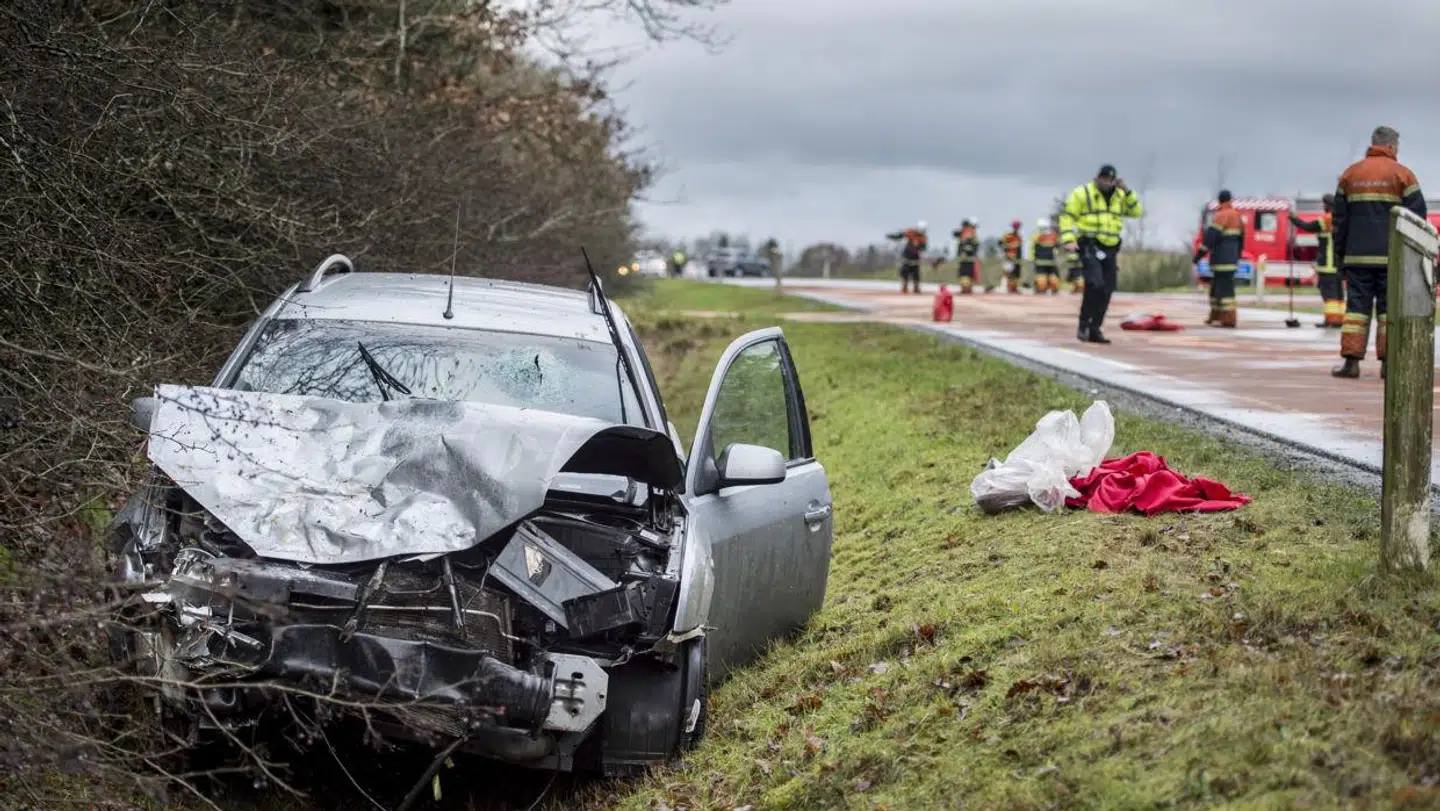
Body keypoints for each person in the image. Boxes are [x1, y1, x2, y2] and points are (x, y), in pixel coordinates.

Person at [1331, 126, 1426, 379]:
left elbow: (1339, 221)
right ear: (1393, 147)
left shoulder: (1350, 175)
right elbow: (1418, 218)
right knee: (1389, 311)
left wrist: (1340, 253)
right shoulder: (1404, 175)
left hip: (1357, 257)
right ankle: (1388, 364)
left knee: (1356, 311)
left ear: (1373, 144)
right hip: (1392, 259)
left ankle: (1351, 363)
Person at [1060, 164, 1144, 344]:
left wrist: (1128, 192)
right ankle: (1084, 325)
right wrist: (1068, 239)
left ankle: (1095, 328)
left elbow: (1136, 211)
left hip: (1110, 248)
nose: (1107, 182)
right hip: (1089, 244)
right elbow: (1067, 216)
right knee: (1094, 284)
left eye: (1110, 179)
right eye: (1104, 179)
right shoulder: (1082, 193)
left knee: (1107, 288)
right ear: (1097, 178)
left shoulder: (1120, 196)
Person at [1192, 190, 1244, 327]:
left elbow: (1210, 238)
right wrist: (1237, 256)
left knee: (1225, 292)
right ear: (1230, 200)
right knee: (1216, 289)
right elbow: (1241, 240)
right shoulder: (1237, 216)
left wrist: (1198, 256)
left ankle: (1228, 319)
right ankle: (1215, 316)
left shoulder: (1220, 216)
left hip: (1221, 261)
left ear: (1220, 201)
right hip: (1232, 261)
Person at [1288, 195, 1342, 329]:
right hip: (1339, 265)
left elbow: (1307, 226)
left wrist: (1294, 219)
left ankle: (1331, 320)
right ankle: (1339, 319)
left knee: (1329, 295)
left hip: (1327, 264)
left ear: (1328, 205)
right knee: (1338, 294)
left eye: (1324, 204)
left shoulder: (1327, 219)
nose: (1323, 207)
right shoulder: (1342, 219)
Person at [886, 221, 928, 294]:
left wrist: (919, 248)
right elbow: (900, 235)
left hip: (915, 258)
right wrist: (892, 236)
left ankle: (916, 287)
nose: (921, 232)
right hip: (907, 256)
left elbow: (924, 248)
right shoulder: (911, 232)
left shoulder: (923, 238)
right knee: (905, 272)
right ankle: (904, 287)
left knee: (916, 274)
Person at [1030, 218, 1060, 294]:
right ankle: (1040, 290)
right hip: (1040, 263)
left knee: (1054, 281)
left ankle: (1051, 290)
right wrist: (1032, 258)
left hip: (1051, 263)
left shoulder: (1053, 236)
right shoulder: (1036, 236)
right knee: (1041, 283)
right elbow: (1032, 248)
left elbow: (1057, 247)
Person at [952, 219, 980, 294]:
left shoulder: (970, 233)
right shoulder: (967, 232)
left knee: (968, 275)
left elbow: (975, 245)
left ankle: (967, 288)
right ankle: (966, 288)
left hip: (968, 258)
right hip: (965, 258)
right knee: (965, 275)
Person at [1001, 220, 1024, 293]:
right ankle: (1006, 287)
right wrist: (1008, 251)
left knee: (1015, 275)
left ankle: (1014, 288)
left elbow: (1020, 247)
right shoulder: (1007, 236)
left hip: (1016, 258)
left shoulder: (1019, 237)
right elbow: (1002, 244)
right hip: (1008, 258)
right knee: (1008, 273)